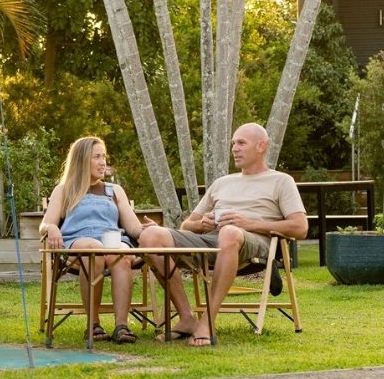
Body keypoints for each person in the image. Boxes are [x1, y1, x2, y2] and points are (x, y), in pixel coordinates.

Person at [138, 122, 308, 347]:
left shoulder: (281, 181)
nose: (234, 148)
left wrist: (250, 223)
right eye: (233, 144)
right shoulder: (222, 183)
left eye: (241, 143)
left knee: (228, 232)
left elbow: (300, 227)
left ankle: (207, 322)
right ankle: (187, 317)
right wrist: (201, 225)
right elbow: (187, 225)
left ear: (261, 146)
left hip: (254, 243)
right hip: (212, 240)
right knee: (151, 236)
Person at [40, 136, 145, 344]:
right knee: (93, 251)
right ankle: (93, 324)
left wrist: (149, 232)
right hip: (78, 242)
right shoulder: (64, 189)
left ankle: (121, 326)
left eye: (104, 156)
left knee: (122, 255)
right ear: (81, 160)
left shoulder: (114, 191)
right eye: (96, 157)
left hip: (112, 241)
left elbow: (133, 227)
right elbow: (45, 224)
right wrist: (52, 228)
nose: (102, 162)